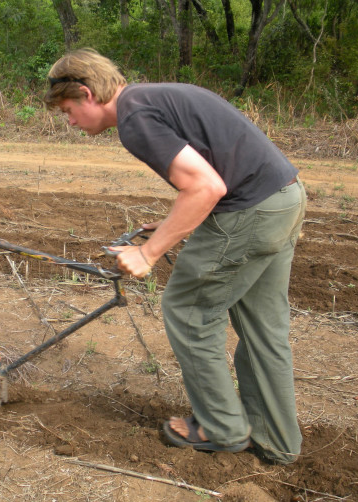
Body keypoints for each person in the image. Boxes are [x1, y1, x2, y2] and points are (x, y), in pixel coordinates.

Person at [43, 48, 306, 465]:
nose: (71, 122)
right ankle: (277, 439)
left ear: (87, 93)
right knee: (264, 326)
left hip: (250, 210)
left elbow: (205, 188)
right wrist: (167, 227)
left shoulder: (134, 119)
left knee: (188, 310)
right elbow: (219, 171)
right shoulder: (153, 96)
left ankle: (222, 428)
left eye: (68, 111)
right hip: (284, 197)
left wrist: (148, 252)